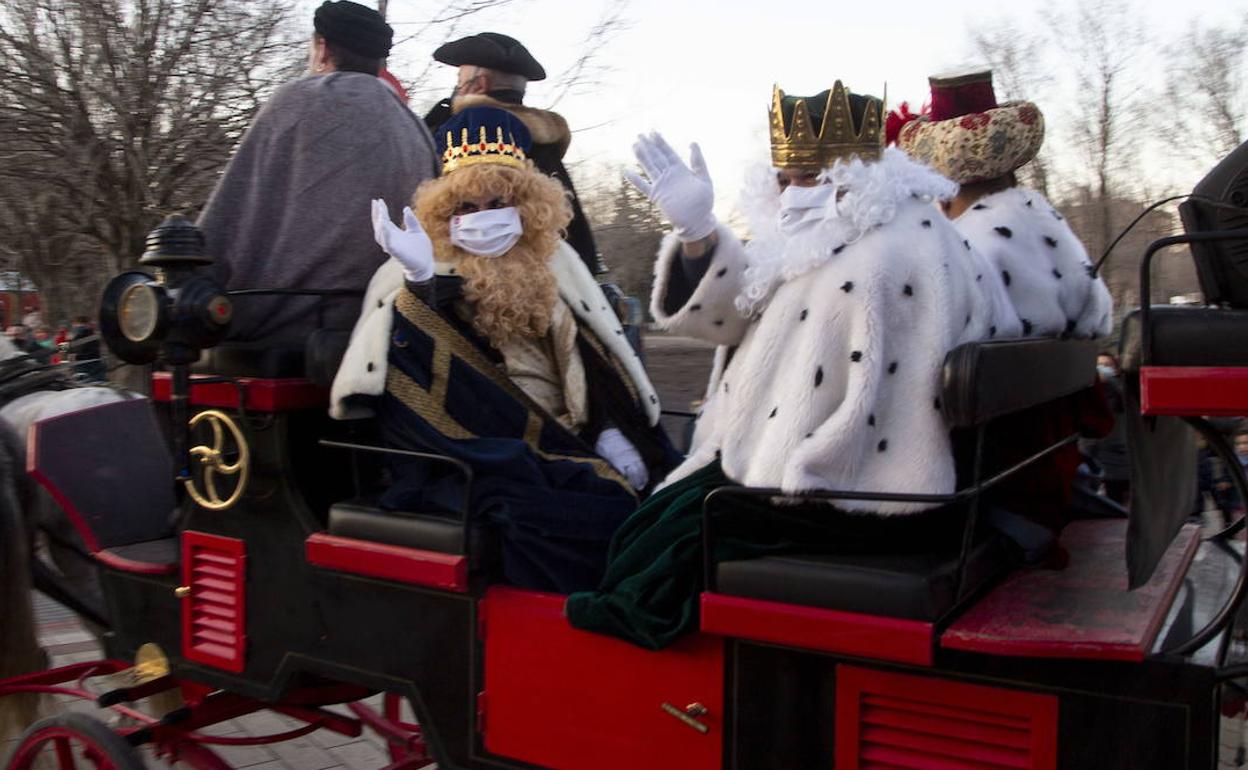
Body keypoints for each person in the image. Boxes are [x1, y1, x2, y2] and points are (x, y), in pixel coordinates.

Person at [565, 82, 998, 649]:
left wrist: (779, 469)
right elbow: (736, 319)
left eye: (806, 179)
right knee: (655, 519)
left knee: (663, 547)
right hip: (789, 462)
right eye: (784, 179)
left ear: (854, 175)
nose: (790, 194)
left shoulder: (887, 255)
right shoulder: (839, 234)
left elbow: (865, 398)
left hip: (851, 484)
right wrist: (699, 238)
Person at [331, 107, 677, 593]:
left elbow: (597, 365)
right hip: (487, 455)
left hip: (574, 440)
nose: (483, 219)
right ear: (445, 216)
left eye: (498, 203)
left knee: (674, 483)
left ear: (525, 209)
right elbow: (418, 385)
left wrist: (610, 430)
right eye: (466, 209)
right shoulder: (412, 274)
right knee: (599, 513)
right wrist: (421, 285)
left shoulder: (556, 267)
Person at [198, 0, 439, 344]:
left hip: (283, 332)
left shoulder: (296, 101)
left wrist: (195, 278)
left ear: (322, 48)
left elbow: (231, 214)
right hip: (384, 331)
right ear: (378, 59)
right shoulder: (415, 128)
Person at [896, 69, 1112, 339]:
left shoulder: (957, 252)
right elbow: (1097, 316)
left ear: (944, 193)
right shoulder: (1051, 225)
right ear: (1011, 170)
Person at [422, 32, 601, 272]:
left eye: (460, 80)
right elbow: (577, 240)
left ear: (480, 83)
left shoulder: (450, 139)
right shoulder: (545, 148)